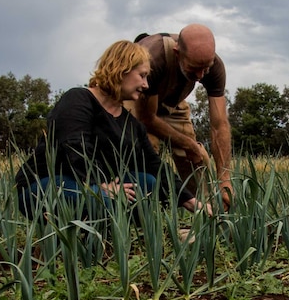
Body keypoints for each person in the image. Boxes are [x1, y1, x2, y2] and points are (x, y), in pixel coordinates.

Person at [15, 40, 206, 222]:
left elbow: (154, 165)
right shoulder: (77, 100)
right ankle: (97, 246)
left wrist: (190, 201)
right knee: (105, 201)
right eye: (142, 75)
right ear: (122, 69)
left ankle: (133, 240)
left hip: (97, 186)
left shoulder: (132, 125)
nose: (146, 85)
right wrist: (101, 185)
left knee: (148, 182)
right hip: (45, 185)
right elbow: (75, 148)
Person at [125, 23, 233, 211]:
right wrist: (189, 144)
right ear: (177, 53)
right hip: (140, 104)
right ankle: (146, 214)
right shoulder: (153, 58)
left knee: (194, 157)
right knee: (145, 149)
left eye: (205, 68)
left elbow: (219, 125)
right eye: (193, 69)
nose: (200, 76)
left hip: (173, 102)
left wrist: (224, 179)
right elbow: (147, 118)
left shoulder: (214, 66)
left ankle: (205, 212)